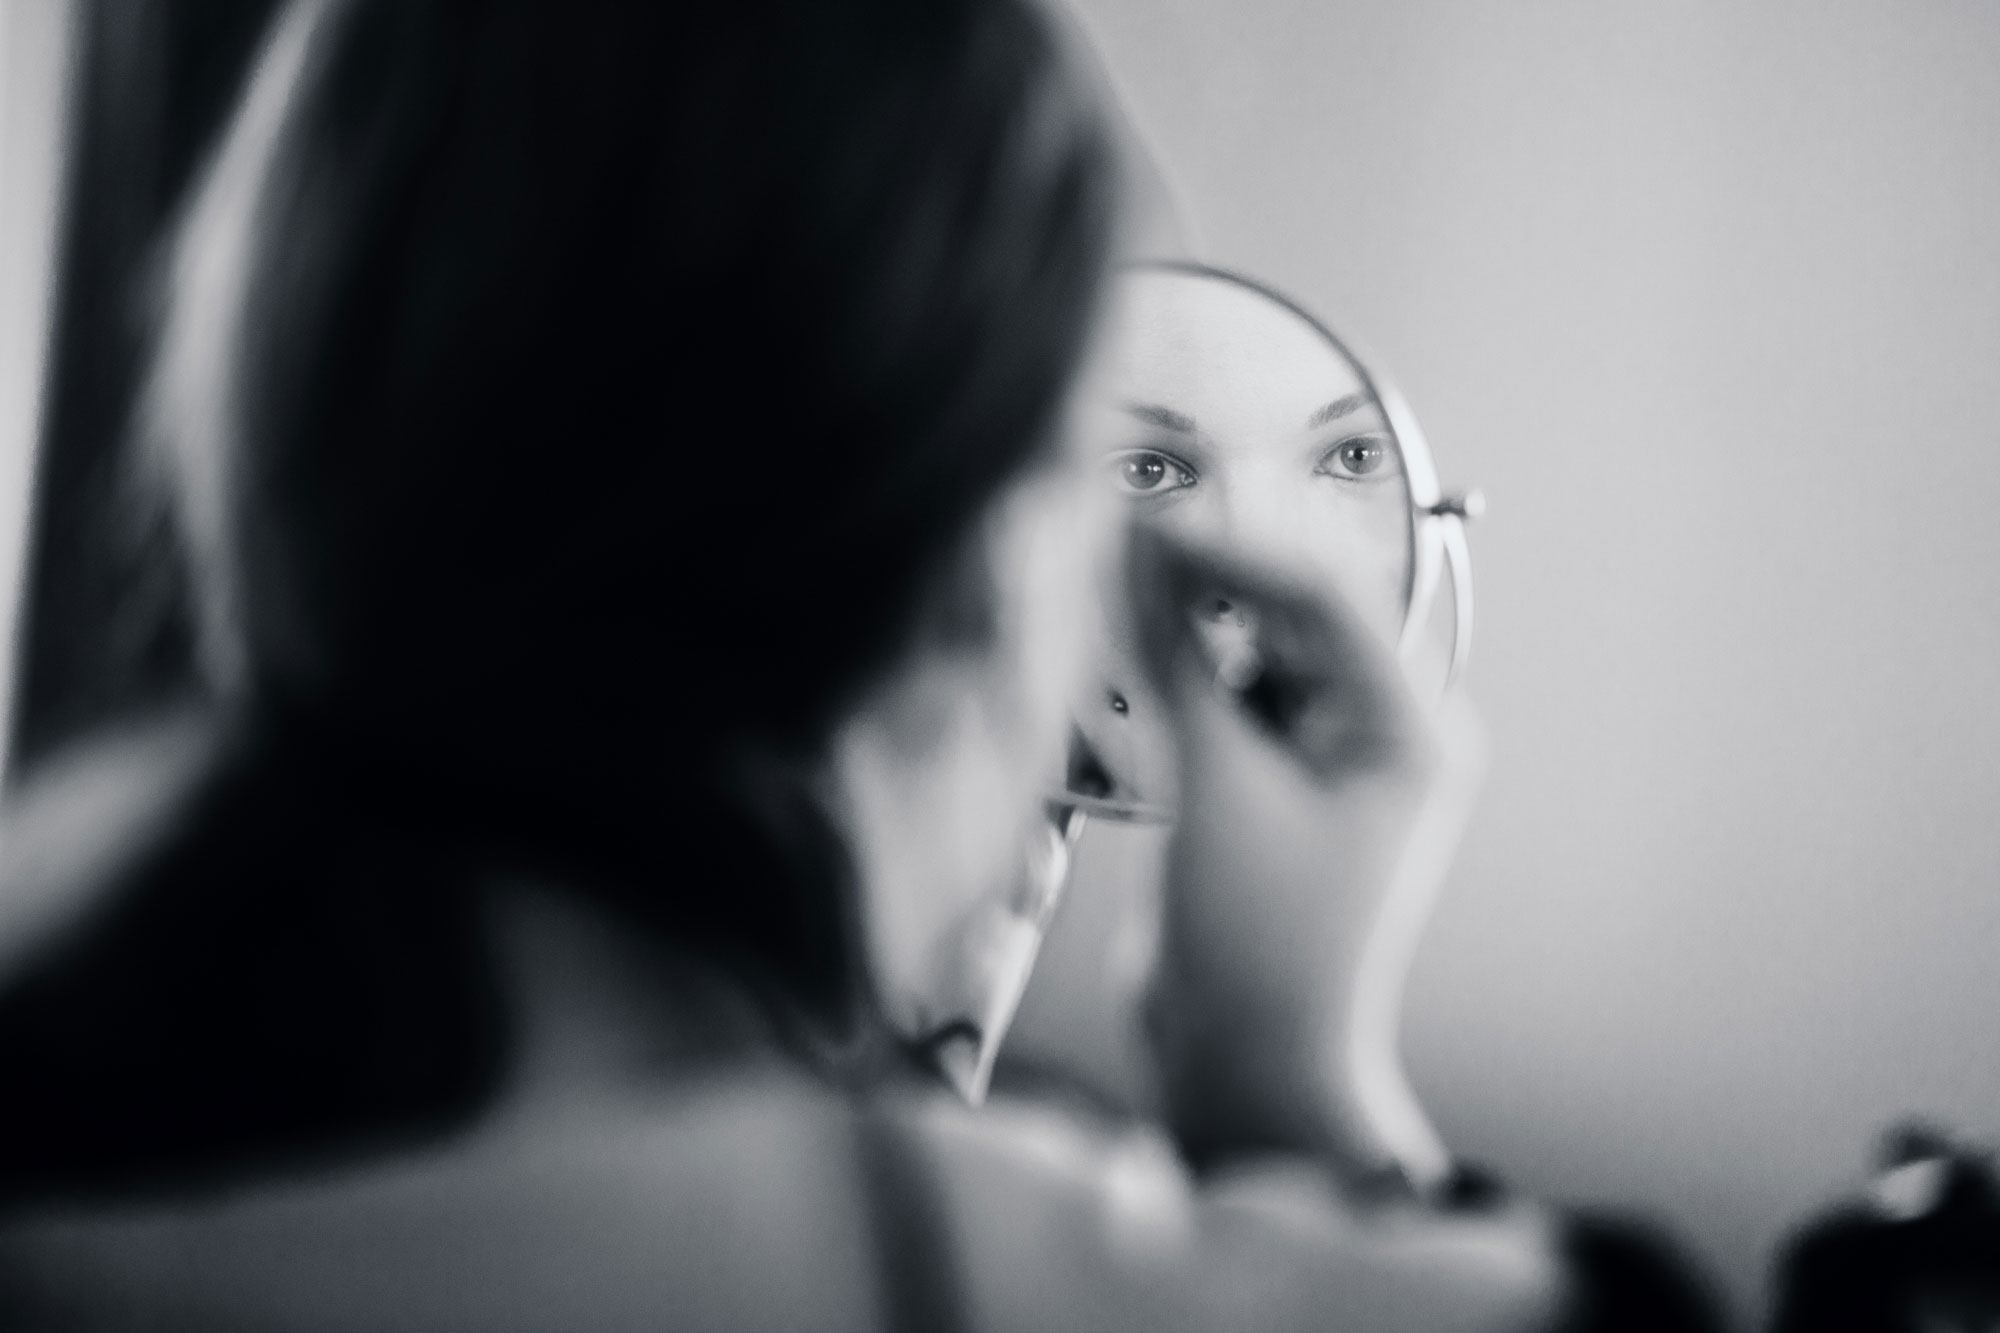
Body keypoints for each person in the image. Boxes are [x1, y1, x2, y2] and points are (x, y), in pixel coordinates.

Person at [0, 0, 1574, 1329]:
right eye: (1123, 470)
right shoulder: (1014, 1276)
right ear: (976, 582)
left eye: (1340, 463)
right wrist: (1288, 1077)